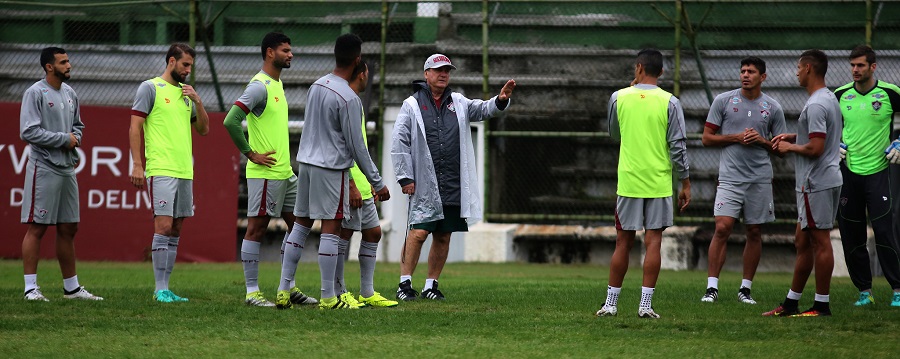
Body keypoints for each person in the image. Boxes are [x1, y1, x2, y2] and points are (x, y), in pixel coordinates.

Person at [275, 33, 390, 310]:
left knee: (300, 226)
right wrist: (378, 181)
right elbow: (357, 147)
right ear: (357, 59)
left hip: (305, 164)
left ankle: (282, 288)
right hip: (331, 168)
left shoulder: (317, 85)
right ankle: (328, 297)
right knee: (331, 228)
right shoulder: (349, 97)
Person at [391, 54, 515, 301]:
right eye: (438, 70)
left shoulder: (458, 101)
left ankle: (431, 286)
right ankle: (404, 284)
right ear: (426, 73)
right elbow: (399, 142)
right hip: (424, 182)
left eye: (447, 70)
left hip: (451, 181)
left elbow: (482, 110)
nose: (443, 74)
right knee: (418, 232)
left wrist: (500, 101)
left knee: (444, 234)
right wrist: (405, 177)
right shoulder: (412, 104)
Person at [222, 32, 317, 307]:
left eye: (290, 49)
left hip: (285, 172)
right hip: (265, 174)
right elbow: (231, 120)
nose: (291, 54)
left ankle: (288, 287)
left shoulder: (277, 84)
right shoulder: (259, 86)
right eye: (285, 50)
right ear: (269, 53)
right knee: (257, 228)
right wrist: (251, 153)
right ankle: (252, 292)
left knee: (302, 222)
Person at [594, 49, 690, 319]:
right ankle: (645, 306)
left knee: (622, 242)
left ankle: (611, 304)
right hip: (659, 182)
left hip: (629, 181)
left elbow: (614, 133)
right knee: (654, 242)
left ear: (638, 68)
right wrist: (686, 182)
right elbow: (678, 146)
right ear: (661, 72)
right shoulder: (670, 102)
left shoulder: (618, 97)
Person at [700, 57, 786, 305]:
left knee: (755, 230)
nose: (745, 75)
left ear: (763, 77)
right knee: (723, 227)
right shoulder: (724, 101)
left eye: (751, 71)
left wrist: (762, 141)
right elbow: (707, 138)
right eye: (743, 71)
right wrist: (735, 137)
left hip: (759, 178)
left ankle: (745, 288)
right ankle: (711, 287)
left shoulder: (773, 107)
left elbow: (781, 149)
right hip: (730, 177)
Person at [19, 47, 102, 302]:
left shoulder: (70, 93)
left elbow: (78, 126)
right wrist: (63, 139)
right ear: (49, 67)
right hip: (43, 167)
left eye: (68, 61)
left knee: (69, 227)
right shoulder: (35, 93)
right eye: (63, 62)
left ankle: (72, 288)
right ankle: (30, 288)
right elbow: (28, 132)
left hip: (67, 168)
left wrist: (76, 138)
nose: (69, 65)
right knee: (38, 227)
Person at [128, 43, 210, 303]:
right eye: (185, 65)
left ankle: (167, 288)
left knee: (176, 228)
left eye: (191, 66)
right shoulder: (150, 88)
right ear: (171, 61)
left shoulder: (187, 95)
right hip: (161, 167)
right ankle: (159, 289)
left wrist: (198, 101)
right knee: (162, 227)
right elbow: (134, 128)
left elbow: (204, 130)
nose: (188, 70)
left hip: (185, 170)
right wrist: (137, 164)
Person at [764, 49, 842, 317]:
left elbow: (817, 148)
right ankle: (791, 302)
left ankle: (821, 305)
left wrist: (789, 147)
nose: (796, 72)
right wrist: (794, 136)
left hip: (816, 181)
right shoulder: (827, 97)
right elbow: (817, 136)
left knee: (820, 241)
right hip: (825, 178)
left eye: (798, 67)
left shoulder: (817, 104)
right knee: (802, 239)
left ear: (808, 68)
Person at [834, 45, 900, 307]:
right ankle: (865, 291)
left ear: (873, 67)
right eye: (852, 65)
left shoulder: (890, 92)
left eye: (860, 65)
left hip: (878, 172)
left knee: (884, 232)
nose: (855, 70)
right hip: (848, 173)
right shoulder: (840, 95)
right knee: (852, 234)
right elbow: (825, 125)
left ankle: (897, 289)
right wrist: (834, 144)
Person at [333, 61, 399, 308]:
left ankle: (367, 292)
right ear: (360, 75)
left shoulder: (355, 101)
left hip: (362, 181)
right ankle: (338, 291)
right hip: (349, 182)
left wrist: (368, 179)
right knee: (344, 235)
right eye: (367, 74)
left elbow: (358, 147)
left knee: (373, 232)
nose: (368, 78)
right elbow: (342, 145)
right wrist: (350, 182)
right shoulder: (346, 101)